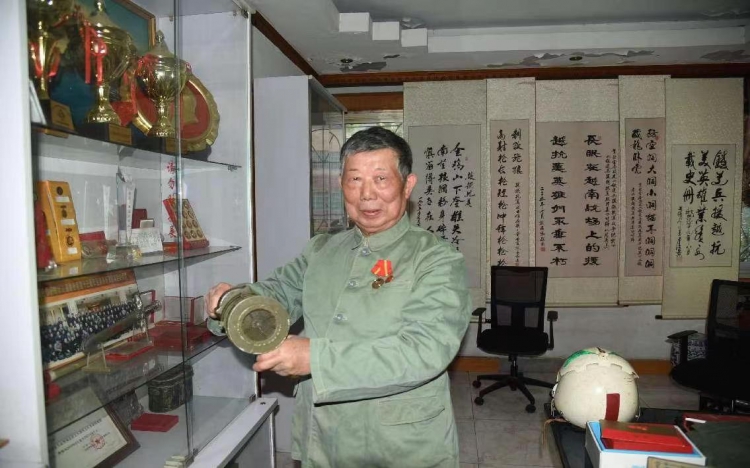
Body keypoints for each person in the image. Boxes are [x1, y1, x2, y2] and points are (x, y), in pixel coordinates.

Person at [206, 126, 471, 467]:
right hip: (323, 437)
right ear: (341, 185)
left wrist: (314, 359)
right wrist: (230, 302)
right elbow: (277, 292)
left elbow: (425, 350)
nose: (367, 194)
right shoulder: (322, 249)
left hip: (400, 445)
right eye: (355, 180)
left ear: (407, 186)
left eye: (381, 179)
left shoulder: (436, 259)